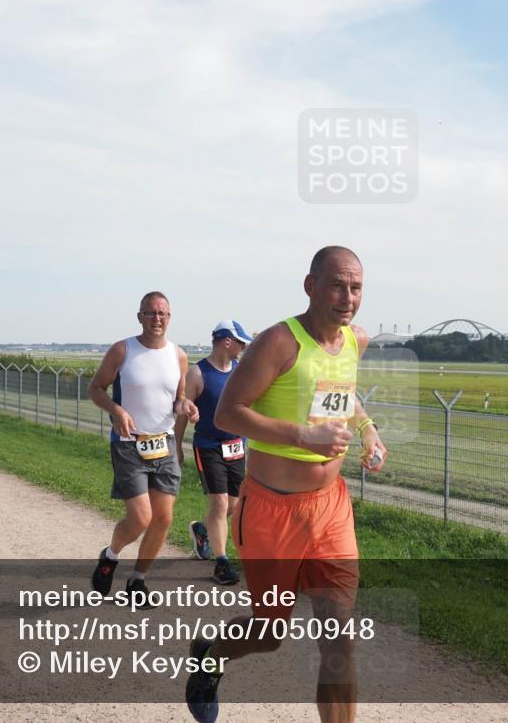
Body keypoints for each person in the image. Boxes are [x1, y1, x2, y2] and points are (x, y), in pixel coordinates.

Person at [186, 246, 386, 723]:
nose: (348, 297)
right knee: (270, 632)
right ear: (310, 285)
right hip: (273, 512)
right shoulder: (278, 341)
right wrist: (302, 435)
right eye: (337, 284)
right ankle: (210, 656)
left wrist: (367, 429)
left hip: (330, 508)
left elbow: (340, 395)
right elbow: (227, 413)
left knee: (339, 636)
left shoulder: (354, 341)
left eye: (356, 287)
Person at [88, 292, 199, 602]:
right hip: (128, 445)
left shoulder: (178, 355)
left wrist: (186, 406)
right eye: (150, 313)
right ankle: (110, 555)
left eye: (162, 313)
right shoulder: (123, 350)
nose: (157, 318)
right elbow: (95, 389)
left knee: (162, 518)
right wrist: (117, 410)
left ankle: (137, 581)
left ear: (170, 318)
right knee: (140, 518)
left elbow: (176, 399)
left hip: (163, 445)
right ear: (140, 317)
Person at [174, 319, 254, 586]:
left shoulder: (241, 372)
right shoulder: (198, 374)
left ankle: (202, 530)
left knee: (233, 504)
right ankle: (221, 563)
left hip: (236, 446)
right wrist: (177, 448)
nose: (243, 347)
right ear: (227, 342)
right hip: (208, 446)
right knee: (219, 504)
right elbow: (183, 414)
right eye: (241, 342)